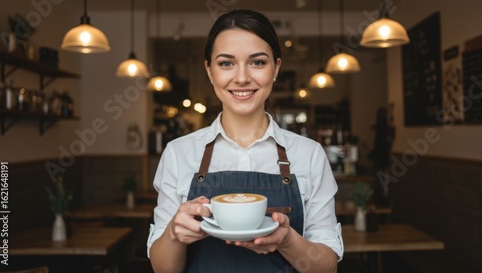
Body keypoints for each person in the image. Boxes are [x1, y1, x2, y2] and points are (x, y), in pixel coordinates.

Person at [147, 9, 343, 273]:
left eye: (258, 62)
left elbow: (327, 267)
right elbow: (162, 270)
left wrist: (287, 240)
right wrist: (173, 234)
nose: (241, 77)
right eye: (226, 63)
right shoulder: (178, 153)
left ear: (276, 68)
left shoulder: (309, 154)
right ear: (209, 71)